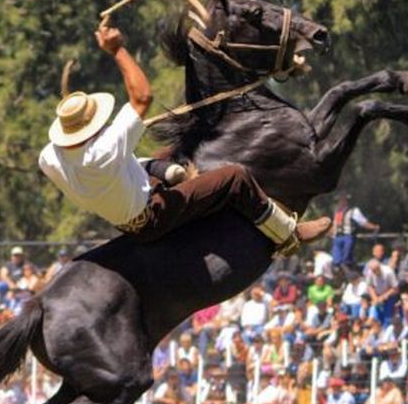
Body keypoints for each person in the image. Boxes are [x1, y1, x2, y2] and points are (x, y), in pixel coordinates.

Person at [38, 20, 331, 254]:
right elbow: (142, 97)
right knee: (235, 177)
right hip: (150, 218)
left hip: (120, 205)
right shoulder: (103, 151)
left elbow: (115, 160)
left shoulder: (49, 156)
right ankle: (289, 234)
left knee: (165, 156)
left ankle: (175, 174)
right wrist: (117, 50)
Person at [330, 194, 379, 271]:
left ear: (346, 201)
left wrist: (373, 227)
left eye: (343, 200)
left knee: (347, 258)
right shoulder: (337, 211)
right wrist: (332, 234)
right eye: (339, 200)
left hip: (348, 236)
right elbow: (334, 223)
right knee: (336, 259)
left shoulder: (353, 211)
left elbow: (362, 222)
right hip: (337, 237)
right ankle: (339, 269)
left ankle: (351, 269)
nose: (341, 202)